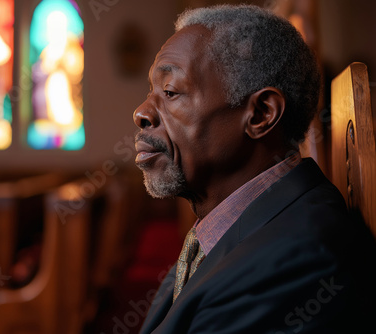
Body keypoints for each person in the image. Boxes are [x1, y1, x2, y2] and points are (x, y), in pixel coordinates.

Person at [133, 5, 376, 333]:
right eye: (152, 92)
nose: (142, 113)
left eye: (171, 92)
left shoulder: (296, 261)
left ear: (261, 114)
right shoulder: (234, 223)